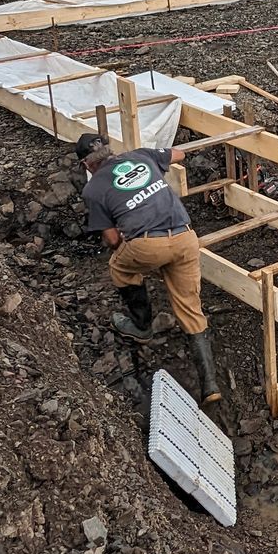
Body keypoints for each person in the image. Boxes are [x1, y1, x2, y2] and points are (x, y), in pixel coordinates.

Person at [75, 133, 222, 404]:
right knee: (190, 308)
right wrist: (159, 158)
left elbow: (111, 240)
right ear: (109, 150)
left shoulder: (93, 189)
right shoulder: (142, 155)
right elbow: (179, 155)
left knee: (119, 267)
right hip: (186, 238)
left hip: (147, 246)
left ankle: (142, 326)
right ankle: (210, 385)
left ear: (87, 164)